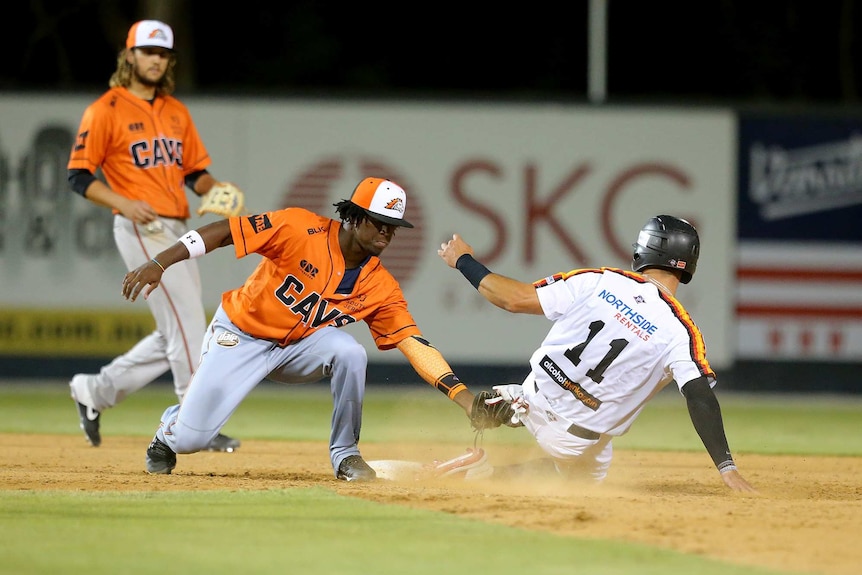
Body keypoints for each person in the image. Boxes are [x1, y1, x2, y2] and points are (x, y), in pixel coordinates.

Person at [121, 177, 480, 481]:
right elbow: (225, 232)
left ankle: (345, 454)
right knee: (191, 438)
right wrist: (160, 262)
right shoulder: (298, 227)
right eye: (377, 220)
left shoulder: (381, 285)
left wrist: (465, 399)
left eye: (393, 225)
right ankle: (169, 431)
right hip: (240, 336)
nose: (386, 231)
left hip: (299, 348)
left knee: (350, 352)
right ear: (354, 217)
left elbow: (413, 343)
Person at [438, 215, 757, 492]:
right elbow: (699, 396)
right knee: (577, 483)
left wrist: (463, 260)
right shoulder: (681, 331)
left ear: (642, 250)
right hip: (576, 441)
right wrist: (725, 465)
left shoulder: (599, 281)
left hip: (535, 396)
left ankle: (505, 407)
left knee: (544, 404)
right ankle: (487, 469)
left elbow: (512, 299)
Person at [66, 20, 240, 452]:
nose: (155, 59)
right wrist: (122, 202)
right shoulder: (105, 109)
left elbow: (194, 173)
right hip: (142, 225)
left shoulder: (176, 111)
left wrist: (213, 190)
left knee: (173, 332)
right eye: (147, 51)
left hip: (178, 225)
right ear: (129, 56)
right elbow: (78, 175)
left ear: (169, 60)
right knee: (186, 322)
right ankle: (194, 419)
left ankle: (95, 391)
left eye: (162, 53)